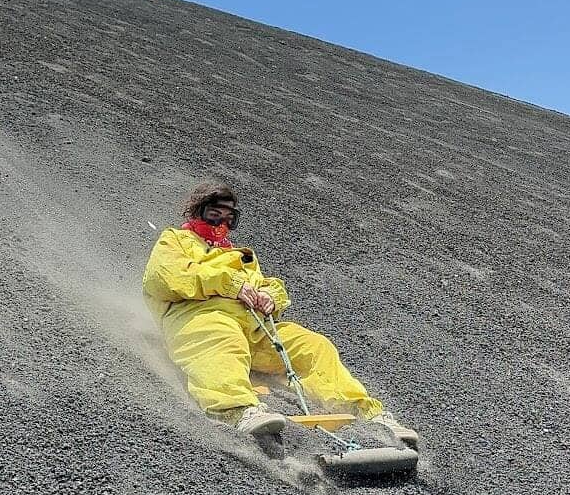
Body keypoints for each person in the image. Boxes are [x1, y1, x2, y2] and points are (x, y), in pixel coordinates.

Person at [142, 180, 417, 446]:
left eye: (228, 219)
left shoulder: (240, 255)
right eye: (214, 215)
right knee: (222, 340)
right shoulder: (175, 240)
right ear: (197, 212)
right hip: (200, 316)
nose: (221, 225)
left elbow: (267, 284)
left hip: (255, 327)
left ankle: (366, 413)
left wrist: (270, 297)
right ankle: (236, 409)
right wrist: (230, 284)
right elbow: (167, 277)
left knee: (314, 346)